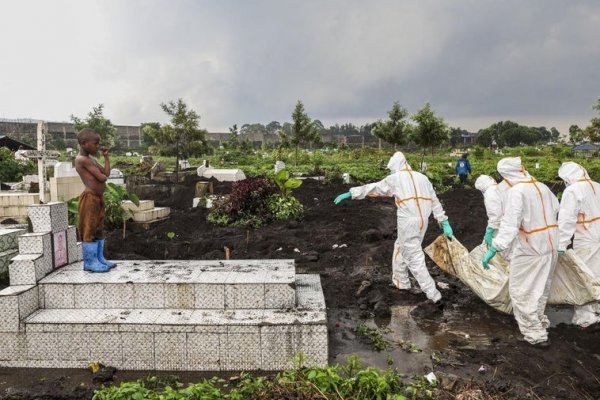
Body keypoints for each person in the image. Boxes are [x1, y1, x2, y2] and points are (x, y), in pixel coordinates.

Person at [334, 152, 454, 303]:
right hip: (424, 220)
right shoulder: (423, 178)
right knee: (400, 246)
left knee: (413, 257)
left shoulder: (396, 178)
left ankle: (434, 295)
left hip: (408, 221)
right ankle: (401, 282)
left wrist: (351, 193)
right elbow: (435, 201)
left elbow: (374, 188)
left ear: (395, 166)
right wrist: (444, 222)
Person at [482, 157, 559, 348]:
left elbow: (510, 225)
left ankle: (535, 335)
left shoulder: (518, 191)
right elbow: (556, 208)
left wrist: (494, 248)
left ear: (506, 174)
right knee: (541, 289)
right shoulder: (542, 186)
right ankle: (540, 323)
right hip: (550, 245)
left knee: (521, 291)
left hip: (530, 247)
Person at [557, 161, 600, 329]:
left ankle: (586, 319)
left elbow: (567, 220)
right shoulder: (596, 185)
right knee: (598, 275)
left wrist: (561, 244)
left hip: (586, 237)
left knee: (584, 277)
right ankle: (597, 312)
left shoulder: (573, 190)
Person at [74, 128, 116, 273]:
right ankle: (90, 262)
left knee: (98, 228)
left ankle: (99, 258)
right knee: (88, 228)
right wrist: (102, 174)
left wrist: (106, 157)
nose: (98, 147)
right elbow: (102, 177)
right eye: (95, 144)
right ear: (84, 143)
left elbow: (107, 173)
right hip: (89, 198)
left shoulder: (91, 159)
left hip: (98, 198)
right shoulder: (82, 160)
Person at [474, 175, 502, 248]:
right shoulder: (497, 188)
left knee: (491, 247)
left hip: (499, 226)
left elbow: (495, 215)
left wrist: (489, 231)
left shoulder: (490, 193)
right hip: (506, 224)